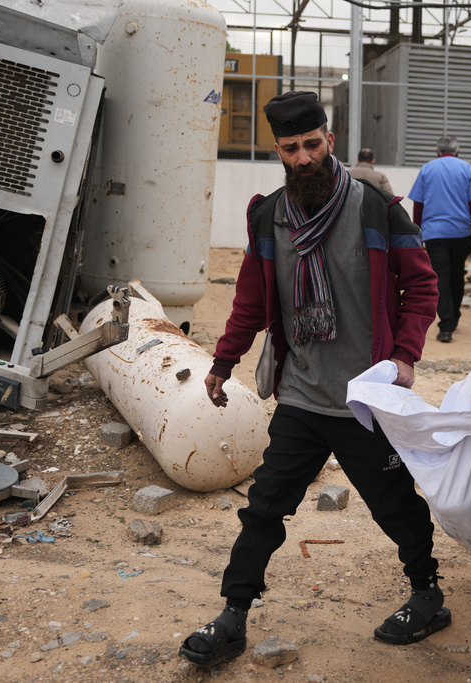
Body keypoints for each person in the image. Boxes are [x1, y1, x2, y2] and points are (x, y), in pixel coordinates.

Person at [179, 91, 448, 667]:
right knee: (264, 507)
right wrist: (223, 362)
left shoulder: (376, 207)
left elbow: (422, 285)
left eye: (312, 144)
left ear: (330, 140)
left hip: (363, 398)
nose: (304, 158)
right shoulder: (267, 216)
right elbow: (250, 302)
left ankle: (428, 592)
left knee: (394, 503)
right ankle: (233, 615)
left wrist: (405, 357)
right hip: (301, 396)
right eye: (291, 148)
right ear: (277, 150)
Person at [409, 135, 471, 343]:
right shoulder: (468, 169)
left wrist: (419, 231)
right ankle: (453, 318)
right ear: (457, 151)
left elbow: (419, 204)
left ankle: (446, 326)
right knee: (456, 275)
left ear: (437, 151)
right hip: (462, 232)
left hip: (434, 233)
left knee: (440, 277)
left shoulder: (427, 169)